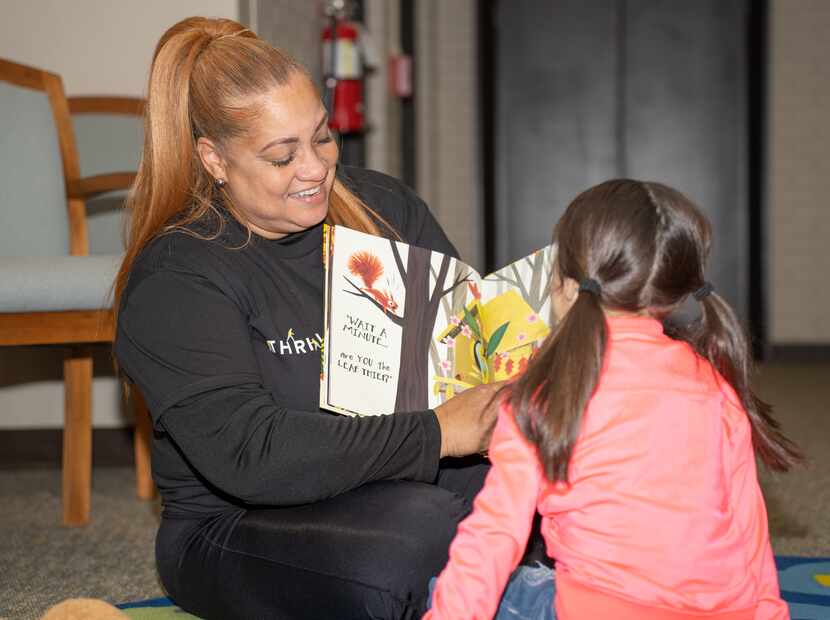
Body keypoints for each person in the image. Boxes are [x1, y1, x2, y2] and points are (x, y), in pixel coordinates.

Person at [113, 17, 503, 620]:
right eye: (281, 155)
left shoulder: (387, 209)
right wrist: (437, 434)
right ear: (214, 159)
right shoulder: (178, 275)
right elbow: (254, 455)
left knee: (553, 486)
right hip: (242, 524)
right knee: (417, 543)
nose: (316, 168)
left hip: (398, 480)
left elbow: (466, 349)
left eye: (322, 138)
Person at [426, 179, 802, 619]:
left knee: (458, 586)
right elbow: (748, 530)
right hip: (724, 611)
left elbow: (494, 536)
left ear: (563, 285)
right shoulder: (715, 386)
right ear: (671, 294)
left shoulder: (545, 393)